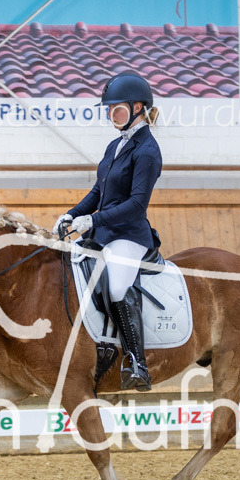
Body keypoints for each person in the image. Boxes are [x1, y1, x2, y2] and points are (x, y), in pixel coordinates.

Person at [53, 71, 163, 391]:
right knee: (80, 277)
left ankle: (136, 362)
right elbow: (98, 193)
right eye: (109, 109)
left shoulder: (147, 151)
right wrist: (72, 214)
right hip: (103, 233)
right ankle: (101, 346)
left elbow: (136, 205)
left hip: (129, 235)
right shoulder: (115, 145)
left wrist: (94, 220)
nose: (111, 115)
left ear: (138, 107)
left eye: (117, 109)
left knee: (116, 289)